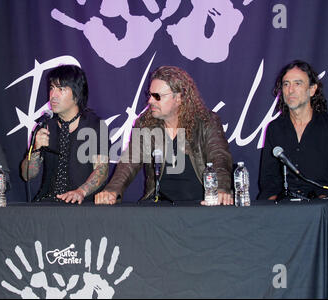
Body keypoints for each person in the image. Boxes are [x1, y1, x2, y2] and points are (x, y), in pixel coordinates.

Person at [95, 65, 233, 205]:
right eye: (150, 95)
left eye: (157, 96)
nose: (150, 101)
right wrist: (112, 190)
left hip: (200, 205)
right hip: (160, 207)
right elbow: (129, 161)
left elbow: (219, 158)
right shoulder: (145, 123)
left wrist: (221, 189)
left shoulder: (206, 121)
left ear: (178, 97)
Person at [258, 60, 328, 200]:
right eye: (286, 84)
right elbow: (268, 179)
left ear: (312, 89)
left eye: (298, 83)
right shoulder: (275, 129)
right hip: (283, 207)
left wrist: (321, 203)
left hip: (319, 207)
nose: (290, 90)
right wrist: (271, 209)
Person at [21, 65, 109, 204]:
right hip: (48, 202)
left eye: (61, 89)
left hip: (84, 204)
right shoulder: (45, 126)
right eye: (51, 88)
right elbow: (27, 175)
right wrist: (36, 148)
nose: (53, 95)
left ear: (77, 94)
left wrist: (81, 192)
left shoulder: (96, 126)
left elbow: (102, 170)